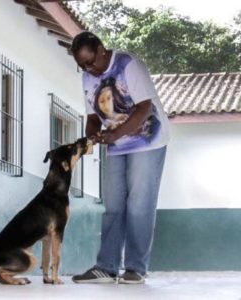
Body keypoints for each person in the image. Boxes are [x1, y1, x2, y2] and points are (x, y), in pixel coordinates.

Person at [71, 32, 170, 284]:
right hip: (117, 144)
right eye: (82, 65)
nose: (88, 69)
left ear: (102, 49)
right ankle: (107, 266)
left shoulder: (128, 65)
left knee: (139, 204)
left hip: (148, 140)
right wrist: (93, 135)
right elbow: (93, 117)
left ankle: (136, 268)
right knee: (113, 205)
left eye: (90, 62)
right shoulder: (87, 77)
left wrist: (115, 134)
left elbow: (144, 107)